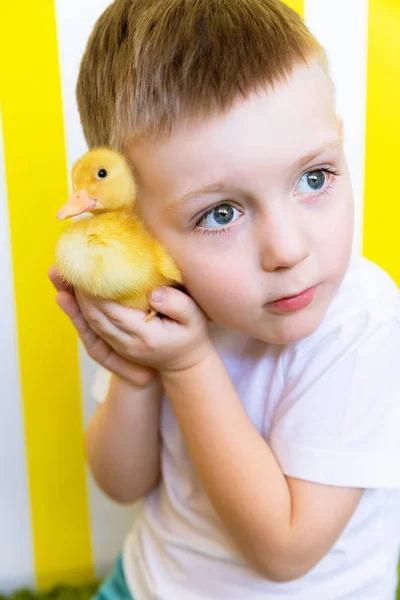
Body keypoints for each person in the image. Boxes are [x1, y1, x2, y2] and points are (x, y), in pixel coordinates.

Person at [49, 0, 400, 598]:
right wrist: (136, 374)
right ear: (138, 224)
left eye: (314, 177)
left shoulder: (361, 323)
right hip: (146, 582)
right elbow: (122, 482)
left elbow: (286, 550)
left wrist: (186, 366)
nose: (287, 250)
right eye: (220, 213)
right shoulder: (161, 303)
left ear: (340, 146)